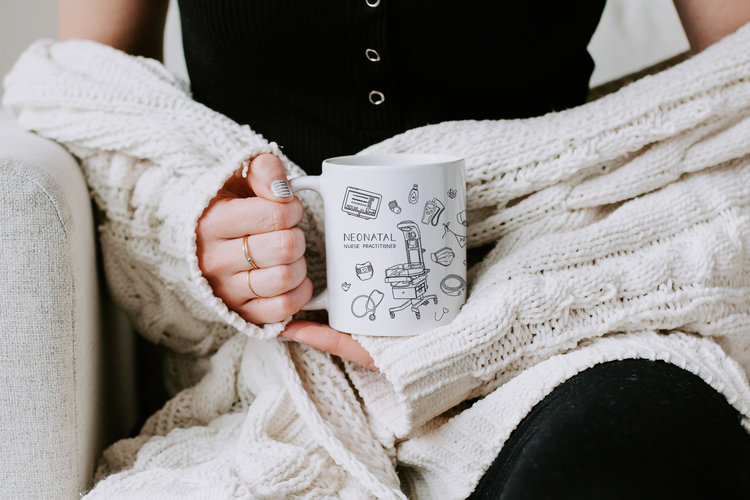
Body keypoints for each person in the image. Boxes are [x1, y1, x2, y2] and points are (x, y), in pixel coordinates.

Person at [13, 0, 750, 497]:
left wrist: (511, 310)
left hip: (564, 316)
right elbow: (83, 92)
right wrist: (195, 223)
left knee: (633, 450)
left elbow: (740, 96)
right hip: (275, 353)